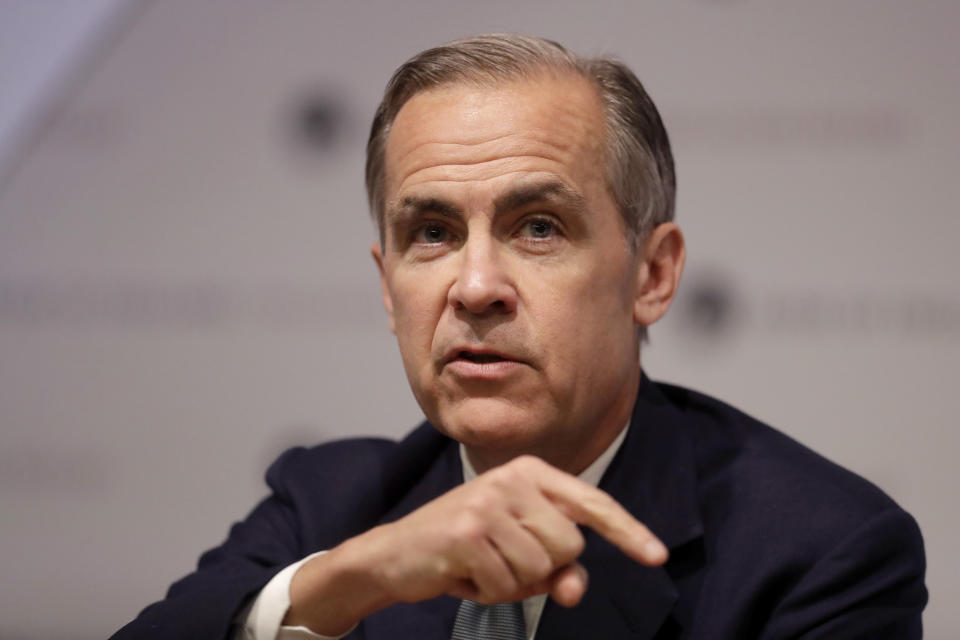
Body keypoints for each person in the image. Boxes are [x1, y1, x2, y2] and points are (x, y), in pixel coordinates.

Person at [112, 34, 927, 640]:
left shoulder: (821, 551)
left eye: (538, 227)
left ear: (653, 274)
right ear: (387, 286)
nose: (473, 287)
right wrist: (351, 579)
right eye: (430, 232)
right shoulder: (330, 504)